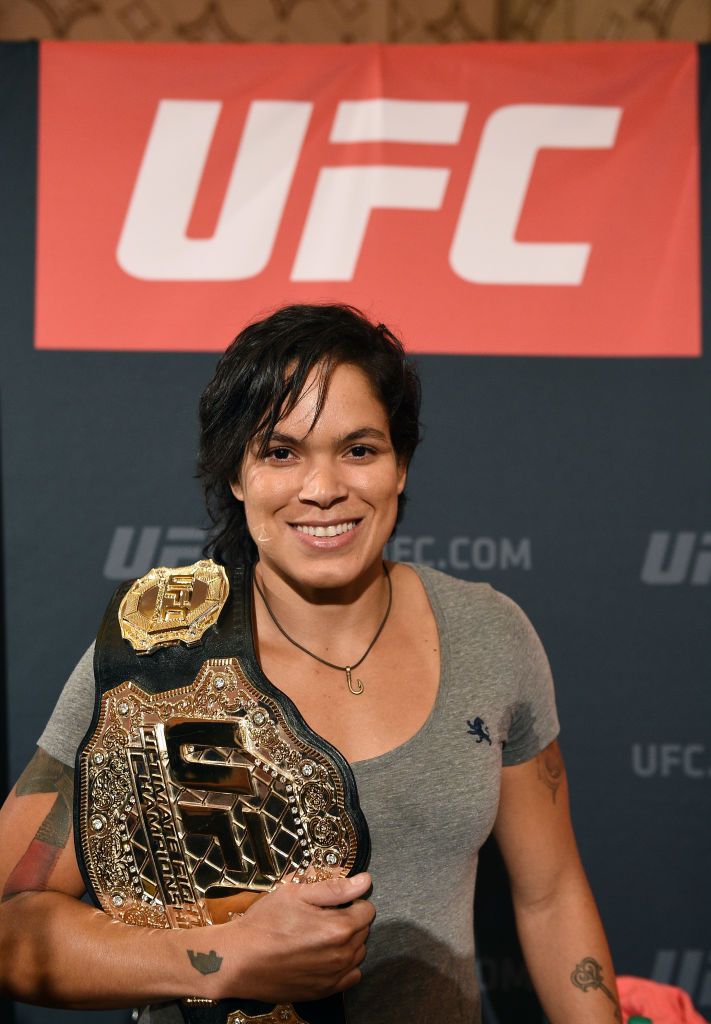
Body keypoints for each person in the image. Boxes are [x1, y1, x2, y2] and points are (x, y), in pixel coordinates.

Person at [0, 304, 620, 1023]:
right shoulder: (160, 658)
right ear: (235, 474)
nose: (323, 487)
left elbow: (550, 896)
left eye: (358, 449)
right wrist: (224, 955)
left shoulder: (488, 632)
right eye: (280, 451)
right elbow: (11, 923)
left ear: (400, 464)